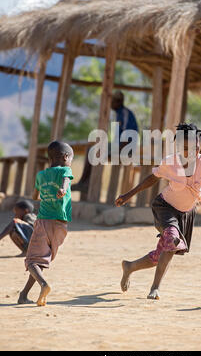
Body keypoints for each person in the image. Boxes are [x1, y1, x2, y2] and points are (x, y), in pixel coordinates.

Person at [115, 122, 201, 300]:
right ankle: (154, 289)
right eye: (185, 148)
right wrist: (128, 195)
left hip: (186, 214)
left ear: (199, 146)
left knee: (164, 251)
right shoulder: (170, 162)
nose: (191, 152)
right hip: (164, 208)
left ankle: (130, 267)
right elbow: (152, 179)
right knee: (172, 241)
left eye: (195, 148)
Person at [18, 141, 74, 306]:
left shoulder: (41, 175)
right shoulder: (66, 170)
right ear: (65, 157)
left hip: (44, 222)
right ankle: (23, 295)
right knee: (39, 261)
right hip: (61, 225)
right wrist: (62, 190)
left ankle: (44, 284)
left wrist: (50, 191)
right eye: (71, 158)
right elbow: (65, 180)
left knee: (31, 261)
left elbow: (35, 196)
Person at [72, 91, 139, 194]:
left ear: (118, 102)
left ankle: (84, 183)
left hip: (126, 148)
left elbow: (127, 136)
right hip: (120, 146)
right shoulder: (119, 114)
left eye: (112, 102)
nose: (110, 104)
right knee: (93, 149)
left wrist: (117, 151)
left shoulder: (124, 113)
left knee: (93, 150)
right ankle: (86, 183)